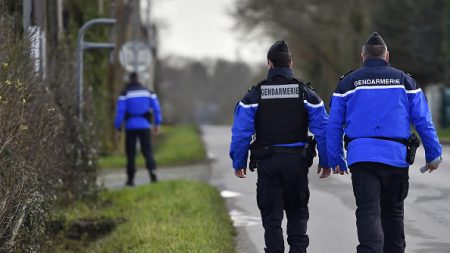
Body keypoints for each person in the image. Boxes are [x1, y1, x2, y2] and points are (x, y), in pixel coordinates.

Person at [327, 32, 443, 253]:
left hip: (361, 159)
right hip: (396, 159)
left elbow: (334, 125)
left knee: (368, 211)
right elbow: (422, 120)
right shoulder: (405, 81)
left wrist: (336, 159)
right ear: (386, 55)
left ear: (363, 56)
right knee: (393, 212)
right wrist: (433, 154)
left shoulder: (348, 83)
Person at [230, 40, 330, 253]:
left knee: (272, 218)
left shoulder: (255, 95)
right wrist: (327, 160)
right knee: (297, 213)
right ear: (290, 64)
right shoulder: (305, 93)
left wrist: (239, 162)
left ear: (269, 64)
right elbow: (323, 129)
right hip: (296, 163)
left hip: (268, 164)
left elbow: (241, 133)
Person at [114, 72, 162, 186]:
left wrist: (118, 128)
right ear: (139, 80)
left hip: (130, 127)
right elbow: (156, 109)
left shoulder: (124, 93)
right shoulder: (149, 92)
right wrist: (157, 124)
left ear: (130, 80)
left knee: (130, 153)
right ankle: (152, 172)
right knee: (147, 151)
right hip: (145, 126)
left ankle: (130, 179)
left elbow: (120, 112)